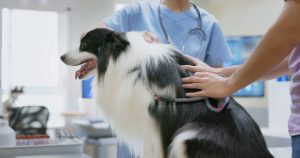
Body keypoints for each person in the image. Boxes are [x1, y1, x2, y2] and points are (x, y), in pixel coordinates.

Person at [97, 0, 232, 157]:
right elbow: (92, 38)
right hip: (138, 118)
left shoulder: (209, 23)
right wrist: (133, 38)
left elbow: (218, 81)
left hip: (184, 123)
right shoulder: (138, 11)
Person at [181, 0, 300, 157]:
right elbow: (290, 61)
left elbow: (287, 33)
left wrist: (228, 84)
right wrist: (221, 73)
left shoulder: (210, 22)